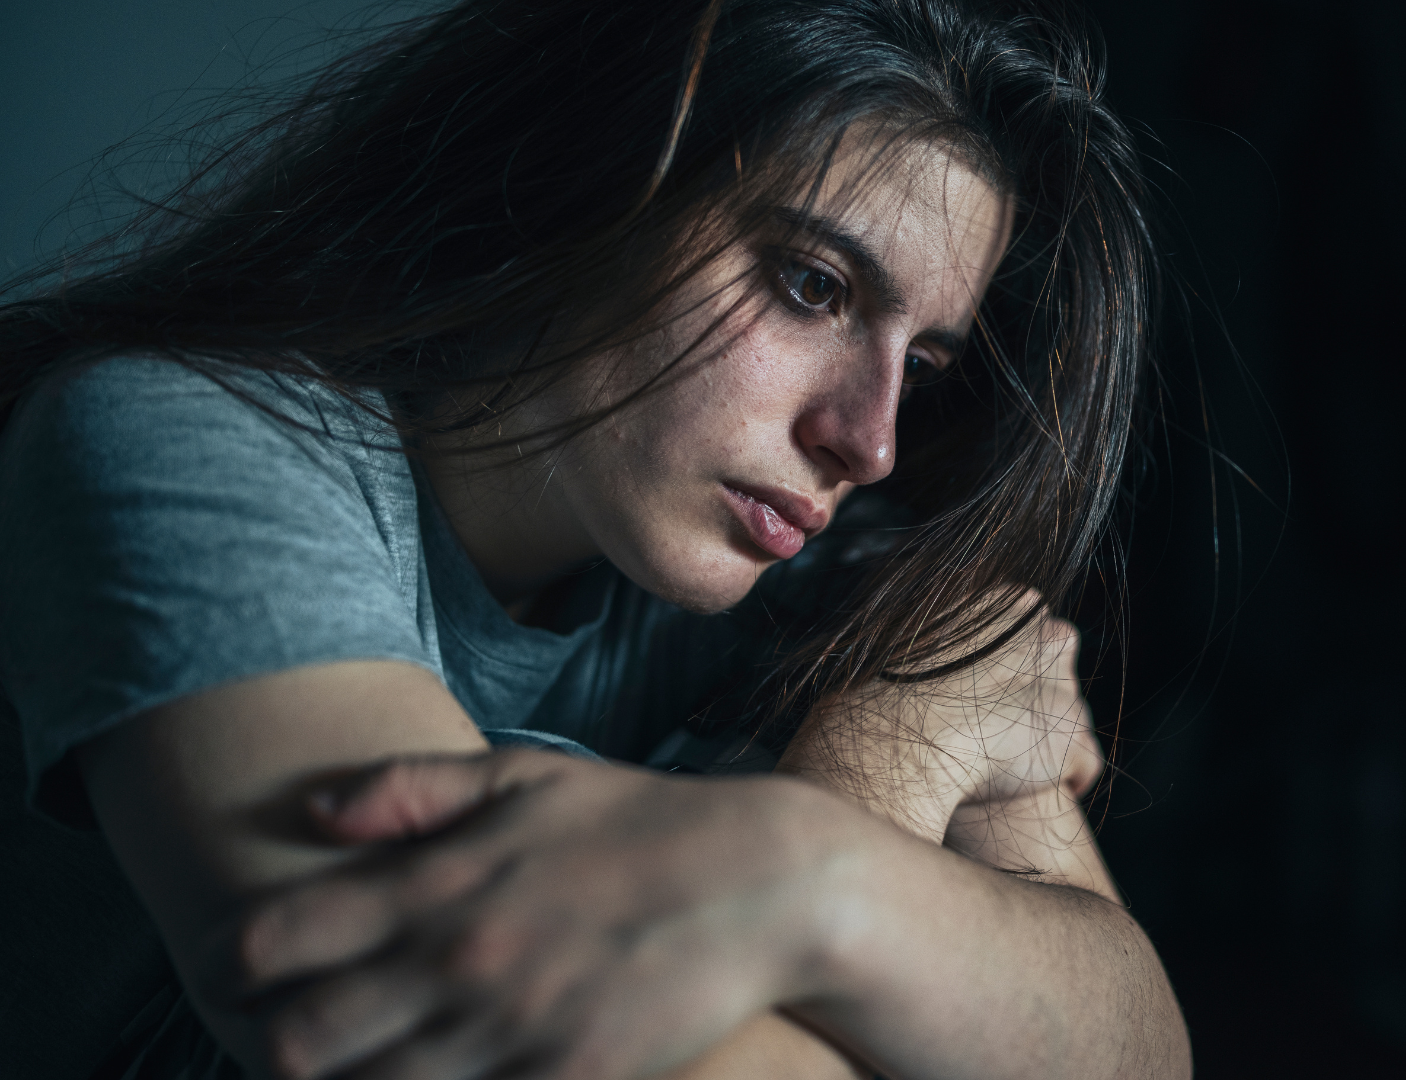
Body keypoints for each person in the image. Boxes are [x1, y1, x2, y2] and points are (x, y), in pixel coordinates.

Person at [0, 0, 1187, 1077]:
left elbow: (1142, 1056)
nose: (869, 442)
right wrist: (844, 813)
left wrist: (819, 862)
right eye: (814, 286)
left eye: (921, 365)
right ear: (590, 174)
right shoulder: (177, 446)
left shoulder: (832, 588)